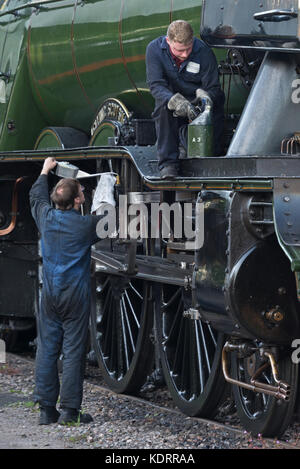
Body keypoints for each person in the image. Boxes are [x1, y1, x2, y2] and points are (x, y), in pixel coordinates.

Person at [29, 157, 102, 425]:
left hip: (49, 294)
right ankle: (70, 411)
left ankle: (46, 410)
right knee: (73, 350)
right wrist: (108, 194)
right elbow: (110, 223)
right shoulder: (85, 226)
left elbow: (36, 195)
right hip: (75, 296)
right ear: (77, 202)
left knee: (47, 347)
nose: (83, 194)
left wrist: (45, 170)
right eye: (82, 192)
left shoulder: (45, 217)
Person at [146, 20, 225, 179]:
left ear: (193, 40)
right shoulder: (154, 50)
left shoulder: (204, 52)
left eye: (188, 49)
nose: (185, 54)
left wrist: (205, 97)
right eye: (179, 50)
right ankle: (168, 165)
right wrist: (174, 101)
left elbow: (214, 88)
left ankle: (209, 158)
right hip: (171, 100)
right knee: (162, 108)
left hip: (198, 101)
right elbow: (155, 85)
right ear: (168, 41)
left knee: (215, 107)